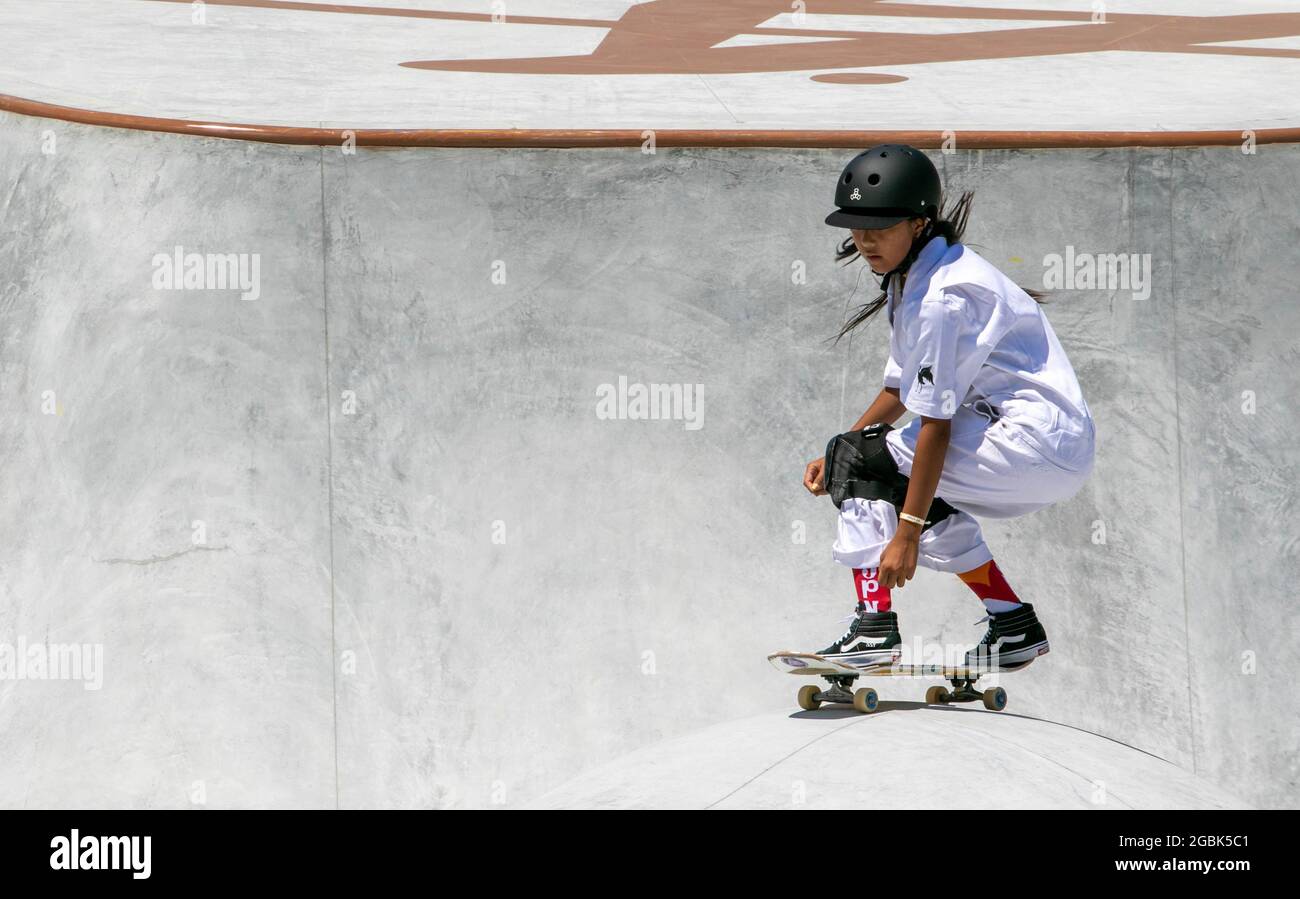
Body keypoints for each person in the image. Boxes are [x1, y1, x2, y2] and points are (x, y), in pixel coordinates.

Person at [803, 144, 1095, 671]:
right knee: (873, 462)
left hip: (1027, 444)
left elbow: (935, 423)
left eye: (881, 227)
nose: (866, 240)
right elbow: (901, 390)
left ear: (918, 223)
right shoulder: (918, 276)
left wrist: (907, 532)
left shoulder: (944, 296)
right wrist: (842, 450)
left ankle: (873, 630)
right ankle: (1012, 623)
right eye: (857, 227)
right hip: (1044, 446)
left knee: (875, 465)